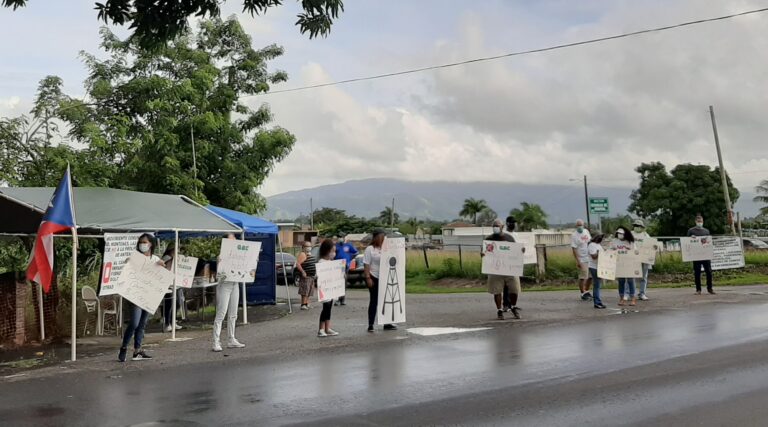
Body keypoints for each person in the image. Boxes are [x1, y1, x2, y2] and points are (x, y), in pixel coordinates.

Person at [118, 233, 164, 362]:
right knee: (134, 323)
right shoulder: (135, 258)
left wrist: (162, 265)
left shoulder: (155, 259)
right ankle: (124, 347)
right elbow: (127, 271)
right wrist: (128, 263)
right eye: (141, 242)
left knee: (142, 324)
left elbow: (161, 275)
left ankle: (137, 350)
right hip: (136, 295)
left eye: (145, 242)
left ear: (151, 244)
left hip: (148, 295)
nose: (142, 244)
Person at [212, 233, 248, 352]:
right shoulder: (221, 255)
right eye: (231, 239)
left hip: (235, 284)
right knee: (221, 313)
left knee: (233, 313)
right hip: (224, 285)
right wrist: (219, 262)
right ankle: (216, 341)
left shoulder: (239, 255)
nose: (234, 241)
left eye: (234, 239)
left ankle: (231, 339)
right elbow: (219, 273)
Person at [483, 219, 520, 320]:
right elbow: (485, 252)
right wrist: (483, 254)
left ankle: (513, 307)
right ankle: (499, 310)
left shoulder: (509, 238)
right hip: (495, 269)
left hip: (509, 268)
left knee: (514, 289)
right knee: (497, 290)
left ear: (502, 227)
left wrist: (521, 251)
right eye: (494, 226)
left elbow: (515, 251)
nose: (495, 227)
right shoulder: (489, 239)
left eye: (497, 226)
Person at [364, 230, 396, 332]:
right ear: (376, 238)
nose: (383, 239)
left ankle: (387, 323)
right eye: (381, 237)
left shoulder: (385, 248)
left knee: (386, 300)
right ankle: (371, 324)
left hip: (385, 277)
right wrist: (368, 277)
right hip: (374, 276)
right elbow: (366, 264)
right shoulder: (370, 249)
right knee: (374, 300)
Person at [316, 239, 340, 337]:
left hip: (331, 289)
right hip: (324, 290)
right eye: (332, 251)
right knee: (325, 308)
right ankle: (321, 329)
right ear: (326, 251)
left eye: (335, 251)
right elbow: (320, 276)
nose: (334, 253)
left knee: (329, 308)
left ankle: (327, 328)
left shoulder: (331, 262)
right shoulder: (321, 262)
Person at [687, 214, 715, 295]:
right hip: (696, 255)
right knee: (697, 272)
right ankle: (698, 289)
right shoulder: (691, 231)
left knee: (709, 272)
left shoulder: (706, 231)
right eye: (698, 221)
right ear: (695, 221)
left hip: (705, 255)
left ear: (703, 221)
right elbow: (687, 241)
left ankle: (710, 288)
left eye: (701, 221)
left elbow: (708, 242)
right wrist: (691, 238)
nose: (700, 223)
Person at [502, 216, 523, 315]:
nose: (513, 224)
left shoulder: (516, 235)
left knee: (514, 285)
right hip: (506, 262)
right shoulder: (503, 234)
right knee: (506, 284)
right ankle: (506, 304)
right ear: (507, 223)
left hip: (515, 262)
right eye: (511, 223)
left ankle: (513, 304)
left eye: (514, 223)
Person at [611, 226, 636, 306]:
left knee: (630, 281)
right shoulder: (614, 241)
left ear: (625, 234)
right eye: (618, 233)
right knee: (621, 281)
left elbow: (635, 252)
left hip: (629, 264)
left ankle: (633, 298)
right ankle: (622, 298)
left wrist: (629, 251)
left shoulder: (630, 242)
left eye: (621, 233)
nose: (619, 235)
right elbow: (610, 250)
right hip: (619, 264)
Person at [161, 242, 183, 332]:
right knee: (169, 304)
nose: (178, 250)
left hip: (177, 284)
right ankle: (167, 323)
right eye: (176, 249)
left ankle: (173, 321)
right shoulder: (167, 258)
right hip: (168, 284)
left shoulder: (178, 258)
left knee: (178, 303)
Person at [334, 234, 358, 306]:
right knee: (338, 282)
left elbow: (356, 252)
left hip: (345, 266)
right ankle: (338, 299)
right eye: (339, 237)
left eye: (341, 237)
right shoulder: (335, 246)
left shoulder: (348, 245)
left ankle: (342, 299)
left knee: (343, 282)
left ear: (344, 238)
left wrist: (350, 258)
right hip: (336, 266)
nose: (340, 238)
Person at [571, 219, 592, 301]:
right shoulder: (574, 235)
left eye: (581, 225)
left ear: (583, 225)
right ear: (576, 226)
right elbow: (574, 249)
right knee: (583, 276)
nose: (580, 227)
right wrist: (578, 261)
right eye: (578, 225)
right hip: (581, 258)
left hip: (589, 257)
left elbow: (589, 242)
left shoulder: (586, 231)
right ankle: (582, 293)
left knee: (590, 276)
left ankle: (586, 291)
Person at [632, 219, 653, 301]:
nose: (636, 227)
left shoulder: (645, 235)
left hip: (644, 258)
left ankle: (642, 293)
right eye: (635, 225)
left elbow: (651, 245)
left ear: (642, 227)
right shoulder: (630, 234)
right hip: (633, 258)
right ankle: (630, 293)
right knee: (631, 277)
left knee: (643, 277)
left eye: (638, 226)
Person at [295, 241, 317, 310]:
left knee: (309, 290)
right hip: (306, 276)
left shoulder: (309, 253)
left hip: (311, 276)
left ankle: (306, 303)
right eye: (307, 246)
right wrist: (303, 271)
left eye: (310, 246)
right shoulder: (303, 254)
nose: (309, 247)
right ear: (303, 247)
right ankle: (303, 304)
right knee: (305, 290)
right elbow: (298, 264)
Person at [588, 234, 606, 309]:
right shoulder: (592, 245)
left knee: (597, 285)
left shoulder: (598, 245)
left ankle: (598, 302)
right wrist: (599, 252)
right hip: (594, 267)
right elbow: (594, 256)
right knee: (597, 285)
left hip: (599, 267)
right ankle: (597, 302)